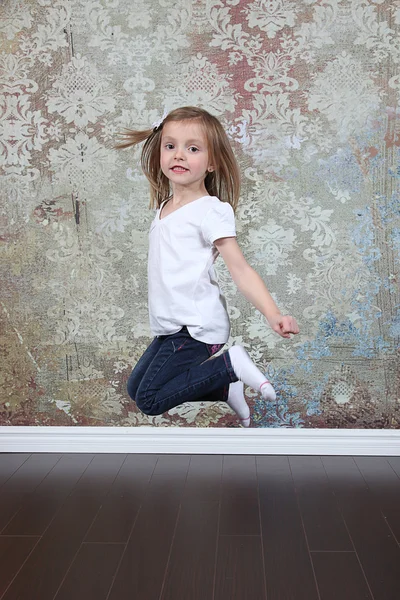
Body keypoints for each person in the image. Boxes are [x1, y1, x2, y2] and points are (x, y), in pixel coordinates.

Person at [117, 106, 299, 427]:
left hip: (196, 327)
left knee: (149, 399)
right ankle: (226, 385)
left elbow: (239, 269)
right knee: (137, 389)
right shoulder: (163, 208)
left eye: (193, 148)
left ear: (212, 163)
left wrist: (274, 314)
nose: (179, 155)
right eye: (170, 146)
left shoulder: (211, 210)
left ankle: (231, 365)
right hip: (171, 326)